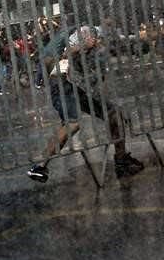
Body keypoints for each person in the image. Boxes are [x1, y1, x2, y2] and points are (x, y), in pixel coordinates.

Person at [28, 23, 144, 183]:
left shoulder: (99, 35)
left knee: (114, 115)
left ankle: (121, 160)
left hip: (81, 86)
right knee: (72, 123)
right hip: (63, 83)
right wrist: (81, 46)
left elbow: (130, 38)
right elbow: (55, 57)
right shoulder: (77, 34)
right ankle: (39, 166)